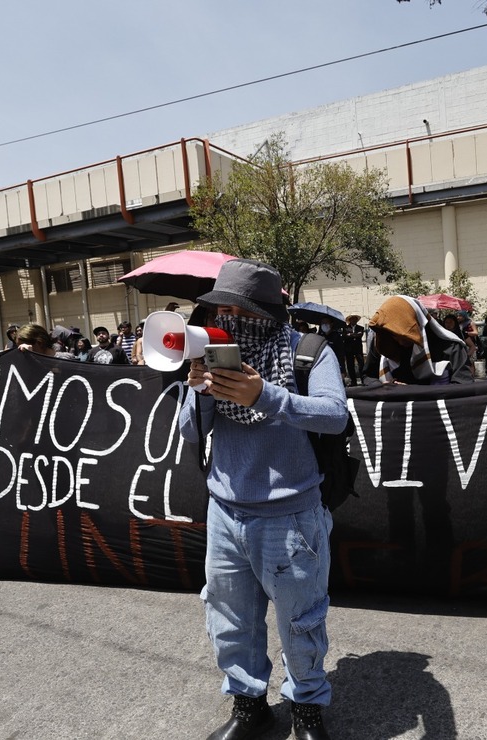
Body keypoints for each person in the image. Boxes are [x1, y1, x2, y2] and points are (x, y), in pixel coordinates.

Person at [176, 259, 347, 740]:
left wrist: (265, 396)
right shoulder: (210, 355)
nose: (229, 318)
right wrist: (203, 392)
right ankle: (249, 705)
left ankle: (307, 709)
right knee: (230, 619)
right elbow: (190, 431)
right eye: (221, 308)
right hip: (225, 511)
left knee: (301, 622)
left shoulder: (308, 351)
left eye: (240, 309)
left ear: (268, 313)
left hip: (291, 517)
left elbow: (334, 415)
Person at [366, 295, 473, 385]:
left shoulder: (450, 347)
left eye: (405, 335)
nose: (400, 341)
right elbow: (368, 376)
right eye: (394, 335)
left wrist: (414, 391)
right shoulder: (383, 345)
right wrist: (382, 387)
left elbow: (464, 386)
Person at [339, 315, 365, 387]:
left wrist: (350, 335)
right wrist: (353, 335)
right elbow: (344, 336)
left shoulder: (360, 328)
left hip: (358, 349)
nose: (354, 320)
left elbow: (360, 335)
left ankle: (363, 380)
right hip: (349, 349)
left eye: (355, 319)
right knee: (350, 365)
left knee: (361, 364)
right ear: (350, 320)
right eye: (352, 319)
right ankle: (353, 381)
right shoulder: (345, 328)